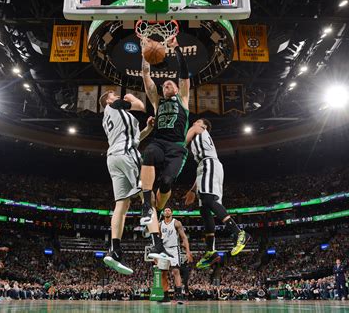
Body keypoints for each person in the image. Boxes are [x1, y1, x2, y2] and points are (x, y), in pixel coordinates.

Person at [139, 36, 191, 259]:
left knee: (167, 182)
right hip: (159, 142)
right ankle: (145, 206)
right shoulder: (157, 102)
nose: (166, 85)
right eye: (164, 84)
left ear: (177, 89)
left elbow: (184, 73)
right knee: (148, 151)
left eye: (170, 84)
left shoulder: (184, 99)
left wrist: (176, 48)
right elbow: (146, 76)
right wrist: (144, 51)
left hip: (176, 148)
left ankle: (156, 210)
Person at [98, 91, 156, 273]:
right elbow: (141, 106)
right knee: (147, 191)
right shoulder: (114, 105)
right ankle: (156, 242)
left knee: (121, 205)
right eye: (114, 94)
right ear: (108, 100)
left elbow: (135, 138)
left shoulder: (112, 116)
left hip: (114, 158)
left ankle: (114, 250)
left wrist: (148, 129)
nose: (119, 96)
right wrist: (131, 97)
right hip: (126, 154)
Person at [184, 119, 251, 269]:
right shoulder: (199, 141)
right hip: (204, 168)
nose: (195, 122)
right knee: (205, 210)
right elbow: (201, 169)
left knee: (208, 200)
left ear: (204, 126)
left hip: (210, 165)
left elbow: (191, 132)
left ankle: (239, 233)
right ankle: (211, 252)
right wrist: (193, 190)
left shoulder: (200, 130)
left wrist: (178, 147)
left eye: (198, 121)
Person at [157, 207, 193, 304]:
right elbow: (158, 240)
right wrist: (156, 254)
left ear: (172, 213)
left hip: (174, 249)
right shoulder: (160, 224)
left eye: (169, 210)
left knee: (176, 271)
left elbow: (184, 238)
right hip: (163, 250)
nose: (167, 211)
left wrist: (188, 251)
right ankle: (165, 296)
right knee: (163, 273)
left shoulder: (176, 223)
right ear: (163, 213)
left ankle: (179, 295)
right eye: (165, 210)